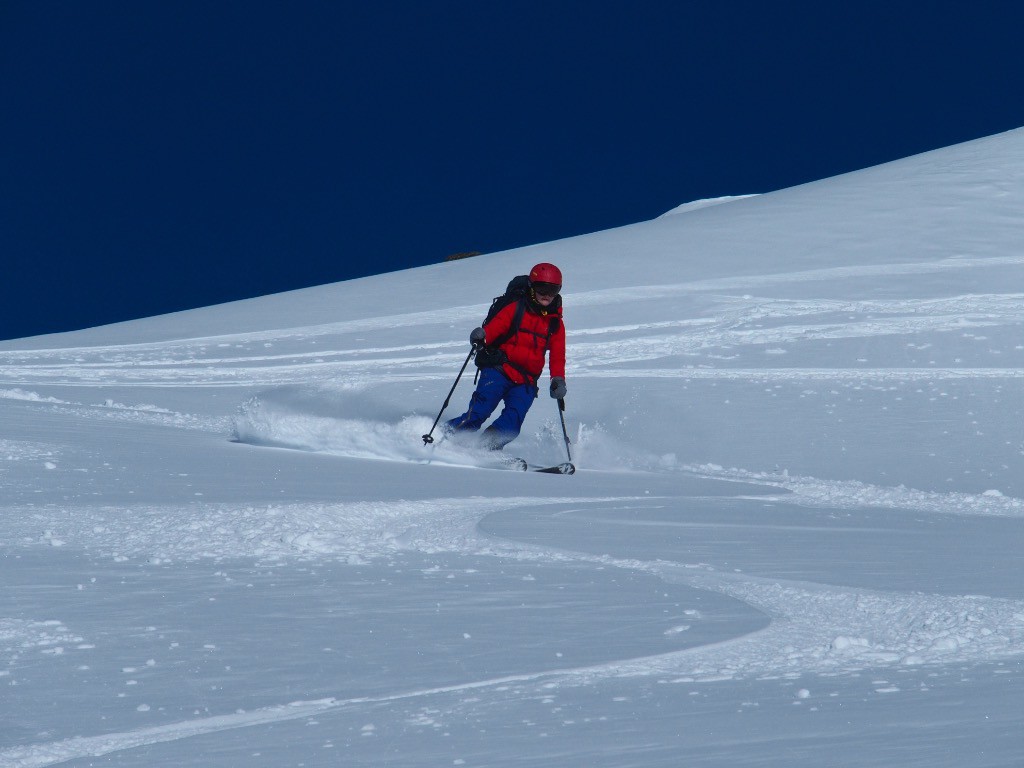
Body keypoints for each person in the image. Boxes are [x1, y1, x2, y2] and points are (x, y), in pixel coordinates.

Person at [446, 262, 567, 450]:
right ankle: (444, 437)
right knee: (479, 412)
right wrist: (482, 336)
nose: (546, 294)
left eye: (553, 290)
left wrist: (558, 379)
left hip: (526, 380)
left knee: (511, 425)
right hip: (499, 369)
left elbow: (558, 355)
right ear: (532, 287)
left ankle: (484, 449)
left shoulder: (555, 324)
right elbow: (495, 328)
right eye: (542, 288)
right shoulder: (516, 308)